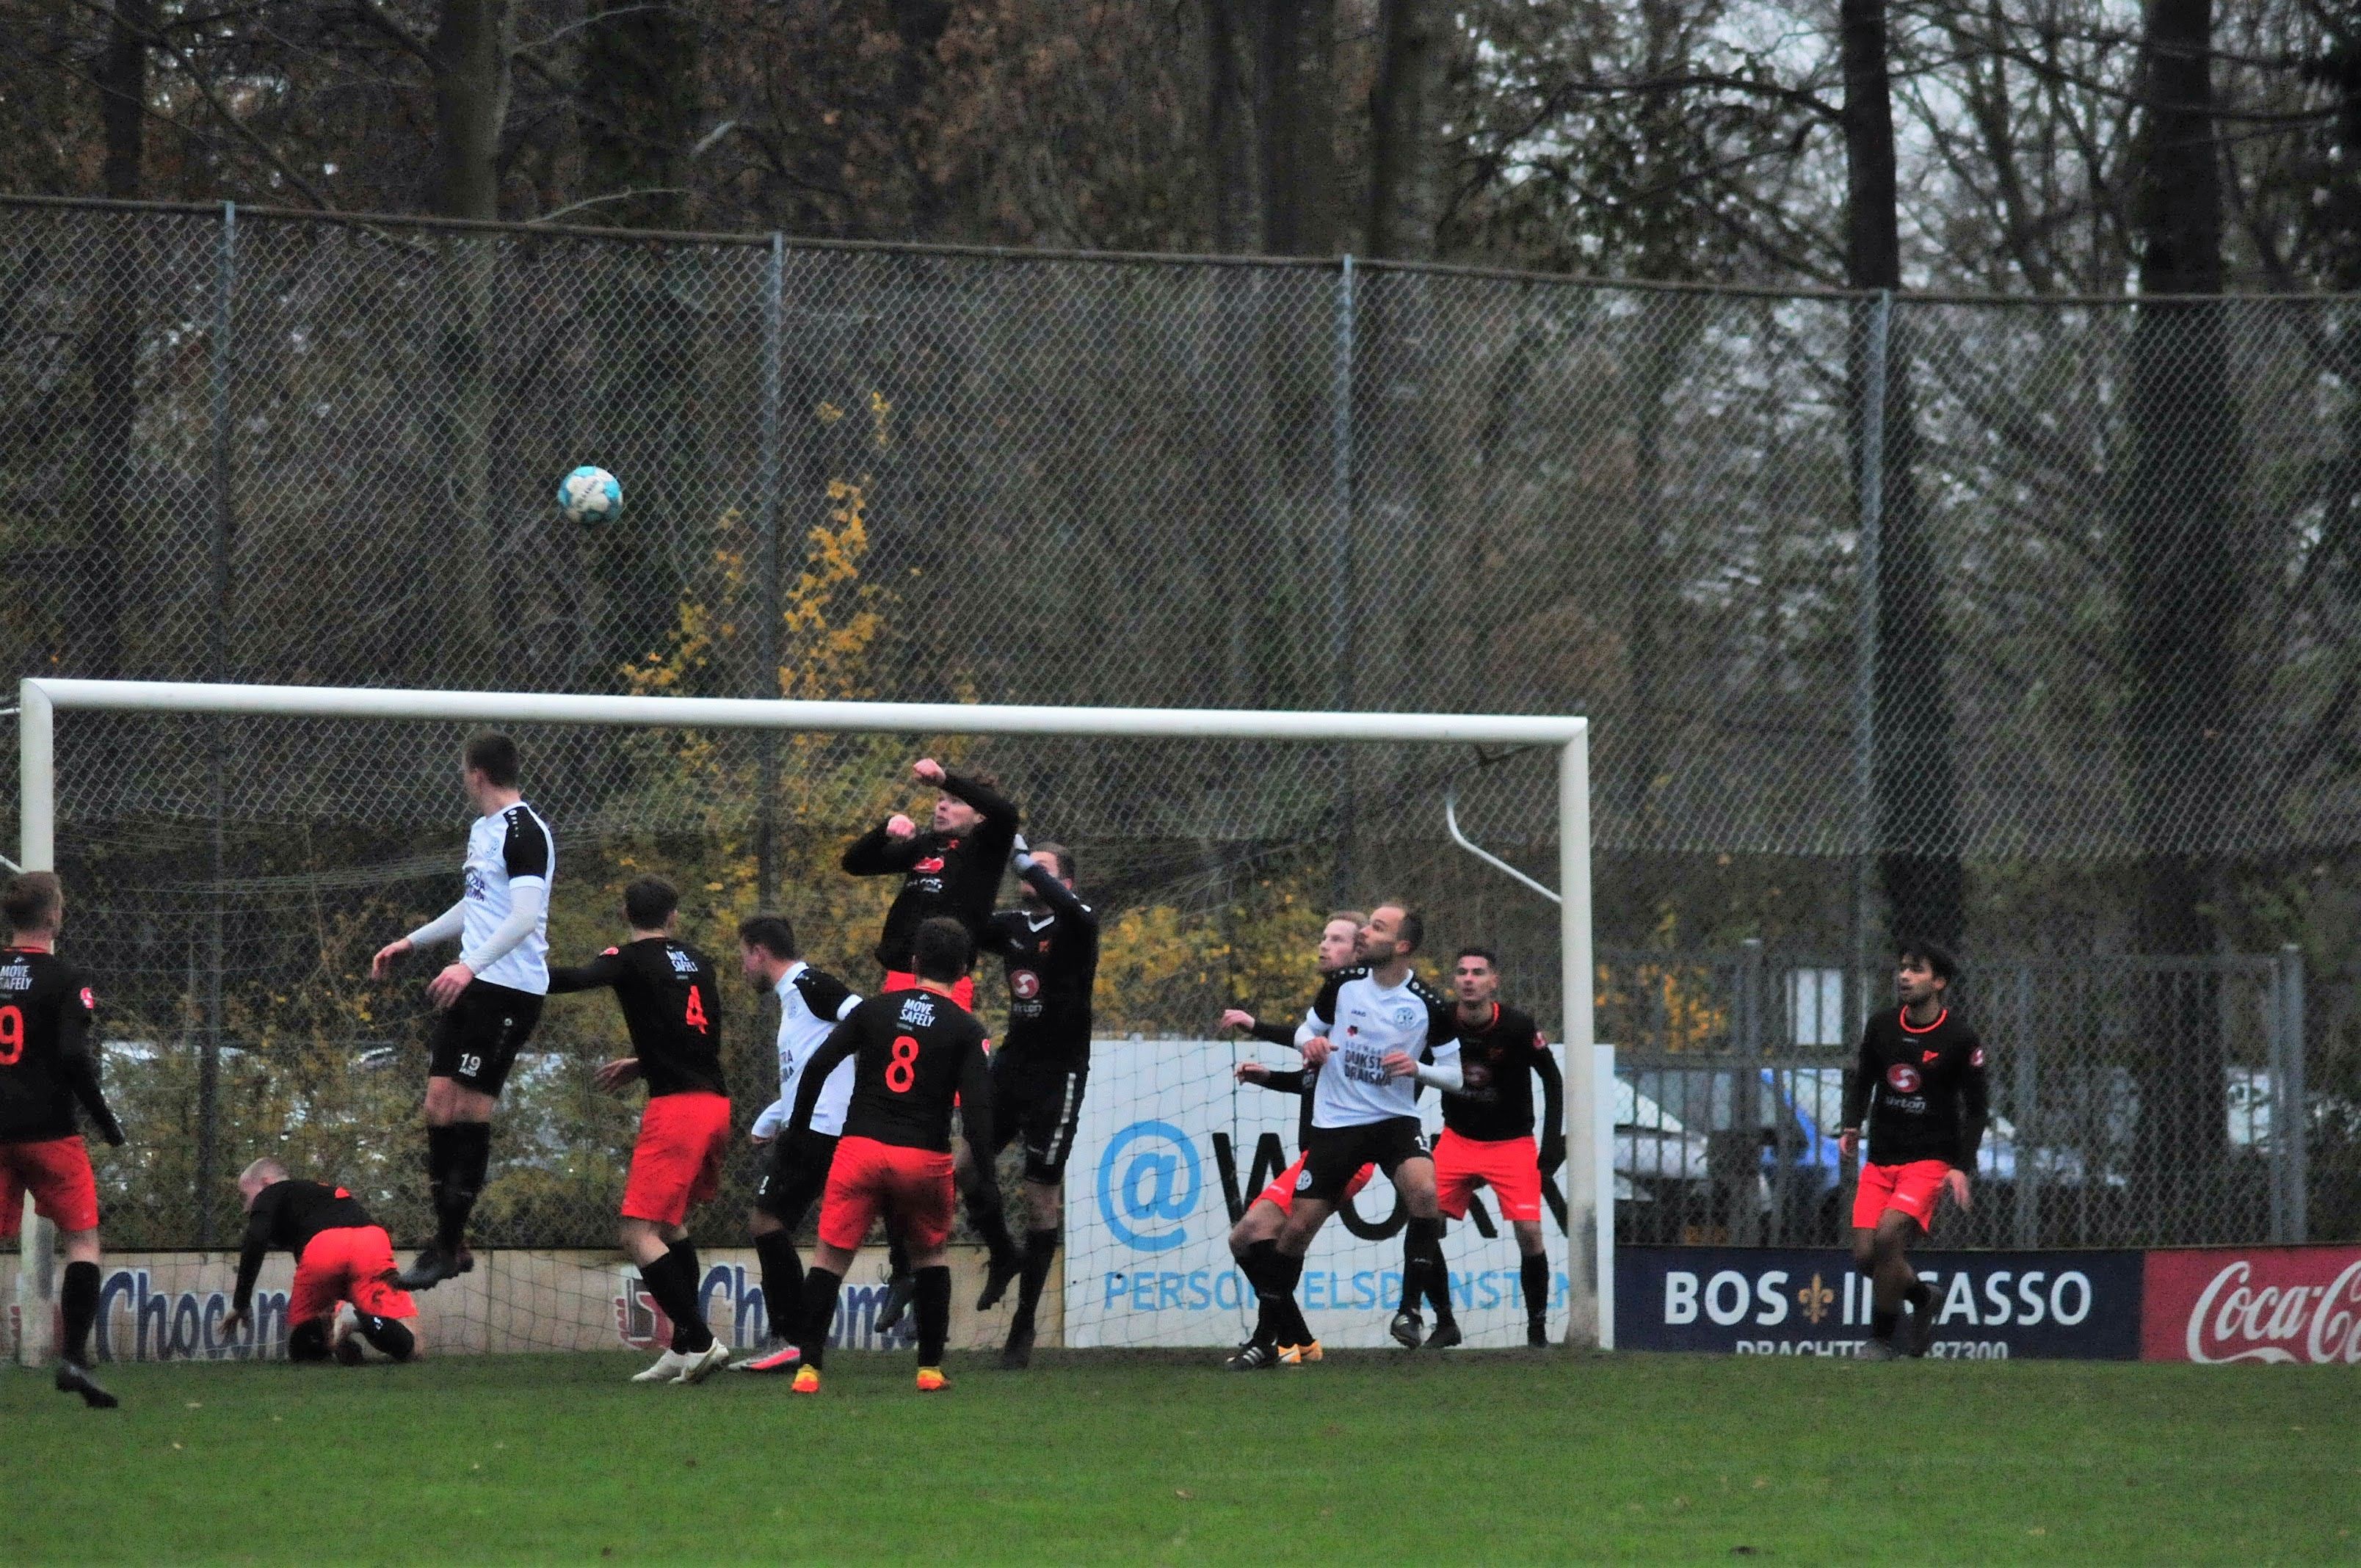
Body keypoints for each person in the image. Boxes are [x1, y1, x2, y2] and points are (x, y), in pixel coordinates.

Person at [1233, 904, 1460, 1367]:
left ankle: (1410, 1311)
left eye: (1377, 927)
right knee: (1294, 1233)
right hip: (1337, 1126)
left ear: (1402, 945)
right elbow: (1306, 1032)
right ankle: (1270, 1339)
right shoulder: (1342, 984)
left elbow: (1455, 1076)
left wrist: (1417, 1069)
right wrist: (1311, 1043)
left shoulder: (1429, 1004)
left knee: (1424, 1194)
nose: (1364, 933)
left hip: (1394, 1122)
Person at [371, 732, 555, 1291]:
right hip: (475, 984)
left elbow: (524, 916)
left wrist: (468, 966)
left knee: (471, 1110)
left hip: (508, 991)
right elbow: (477, 905)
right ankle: (451, 1238)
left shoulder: (526, 832)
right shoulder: (483, 831)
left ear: (476, 773)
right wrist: (414, 940)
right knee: (437, 1106)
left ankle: (446, 1244)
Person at [780, 917, 994, 1395]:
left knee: (829, 1258)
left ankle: (808, 1370)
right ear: (963, 970)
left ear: (914, 963)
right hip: (923, 1158)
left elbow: (818, 1066)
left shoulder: (874, 1011)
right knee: (930, 1255)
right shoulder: (966, 1028)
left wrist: (798, 1131)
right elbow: (978, 1112)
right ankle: (929, 1369)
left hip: (861, 1149)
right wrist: (987, 1178)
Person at [545, 876, 733, 1384]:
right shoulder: (699, 960)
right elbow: (702, 1034)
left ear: (626, 913)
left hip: (678, 1110)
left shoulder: (628, 958)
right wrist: (644, 1062)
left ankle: (700, 1340)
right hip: (714, 1103)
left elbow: (573, 978)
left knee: (637, 1232)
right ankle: (682, 1347)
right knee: (669, 1227)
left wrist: (503, 969)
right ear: (674, 916)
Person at [960, 835, 1100, 1367]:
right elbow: (965, 920)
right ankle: (1003, 1253)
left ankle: (1023, 1324)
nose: (1026, 874)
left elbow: (1076, 913)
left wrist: (1022, 859)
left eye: (1041, 868)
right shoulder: (1012, 925)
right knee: (964, 1167)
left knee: (1042, 1197)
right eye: (1024, 865)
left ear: (1066, 882)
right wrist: (975, 853)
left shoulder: (1078, 923)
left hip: (1059, 1075)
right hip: (1011, 1068)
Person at [1217, 910, 1368, 1368]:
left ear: (1360, 951)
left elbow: (1340, 1070)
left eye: (1337, 939)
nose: (1324, 945)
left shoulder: (1362, 1004)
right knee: (1257, 1241)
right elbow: (1316, 1077)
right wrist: (1269, 1078)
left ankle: (1270, 1339)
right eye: (1324, 936)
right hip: (1320, 1152)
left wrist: (1256, 1026)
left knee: (1254, 1235)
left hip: (1345, 1153)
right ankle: (1297, 1340)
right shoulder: (1334, 1001)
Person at [0, 871, 126, 1407]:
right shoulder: (67, 977)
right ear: (53, 917)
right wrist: (105, 1121)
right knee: (82, 1242)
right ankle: (73, 1358)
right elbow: (74, 1054)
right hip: (50, 1130)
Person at [1838, 943, 1989, 1360]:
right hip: (1881, 1158)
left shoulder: (1959, 1038)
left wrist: (1961, 1166)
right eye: (1902, 968)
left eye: (1916, 970)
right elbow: (1863, 1079)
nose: (1904, 976)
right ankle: (1924, 1297)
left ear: (1938, 982)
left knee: (1889, 1238)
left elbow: (1978, 1109)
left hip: (1928, 1161)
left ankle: (1881, 1341)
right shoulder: (1881, 1026)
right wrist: (1852, 1124)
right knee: (1866, 1257)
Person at [731, 912, 860, 1374]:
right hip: (810, 1124)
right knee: (774, 1223)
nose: (743, 967)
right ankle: (795, 1336)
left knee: (766, 1221)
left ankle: (790, 1338)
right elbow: (805, 1069)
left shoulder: (810, 984)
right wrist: (772, 1116)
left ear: (759, 952)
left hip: (820, 1128)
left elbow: (865, 1017)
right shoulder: (793, 998)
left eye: (743, 957)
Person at [1433, 947, 1564, 1349]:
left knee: (1530, 1232)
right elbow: (1416, 1069)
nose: (1469, 979)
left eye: (1478, 972)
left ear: (1494, 982)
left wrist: (1550, 1145)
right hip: (1457, 1139)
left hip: (1511, 1144)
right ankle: (1444, 1322)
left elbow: (1552, 1080)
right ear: (1454, 980)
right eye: (1462, 972)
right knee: (1424, 1222)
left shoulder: (1518, 1026)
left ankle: (1537, 1331)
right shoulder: (1440, 1021)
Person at [839, 758, 1020, 1007]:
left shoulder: (986, 849)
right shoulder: (925, 846)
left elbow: (1007, 814)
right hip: (902, 974)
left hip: (948, 983)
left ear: (980, 815)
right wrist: (883, 832)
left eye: (955, 801)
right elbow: (854, 864)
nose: (942, 806)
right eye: (940, 799)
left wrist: (945, 780)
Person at [221, 1158, 421, 1365]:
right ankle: (358, 1321)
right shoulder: (322, 1193)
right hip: (371, 1240)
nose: (245, 1207)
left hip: (323, 1248)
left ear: (266, 1182)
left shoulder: (272, 1192)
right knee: (413, 1347)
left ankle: (332, 1336)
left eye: (245, 1196)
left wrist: (240, 1303)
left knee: (300, 1346)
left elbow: (255, 1239)